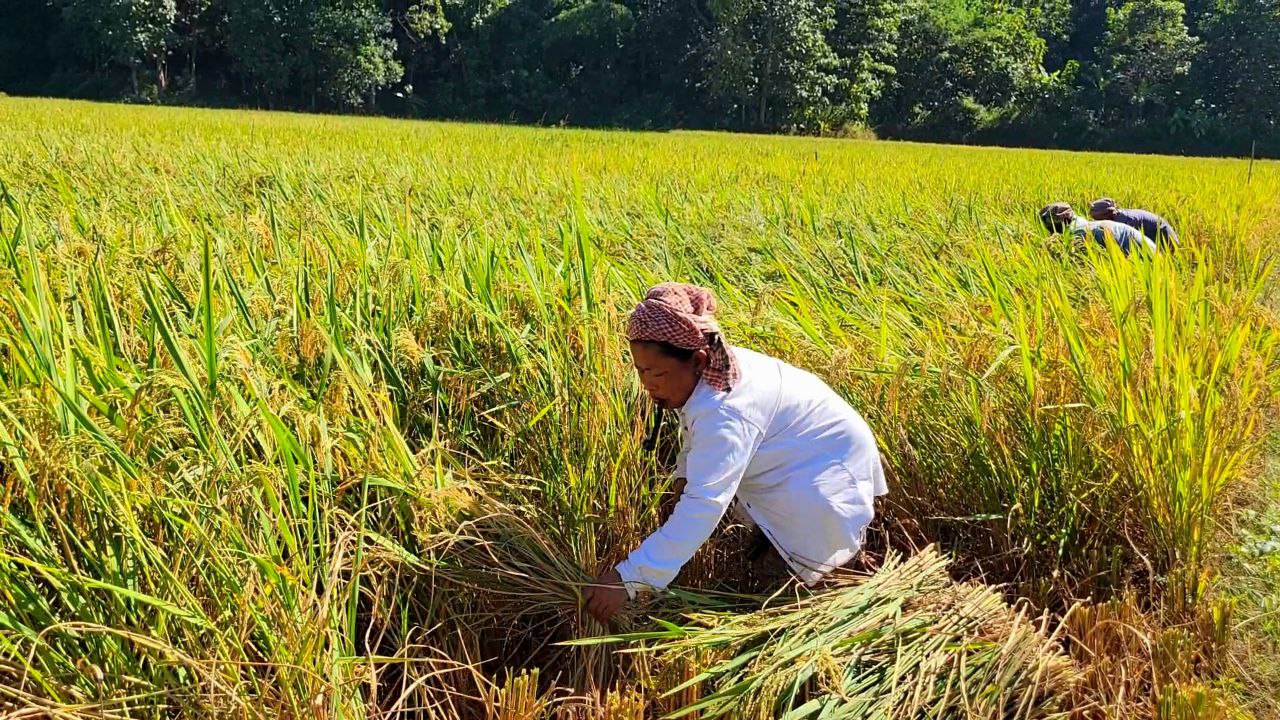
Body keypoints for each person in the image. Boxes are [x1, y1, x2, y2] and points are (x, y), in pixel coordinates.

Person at [582, 282, 888, 623]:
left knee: (805, 604)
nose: (647, 384)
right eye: (640, 371)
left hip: (823, 480)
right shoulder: (713, 370)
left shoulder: (727, 409)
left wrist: (627, 579)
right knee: (775, 575)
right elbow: (698, 432)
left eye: (657, 373)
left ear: (697, 361)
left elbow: (705, 502)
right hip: (798, 466)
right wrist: (683, 476)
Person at [1038, 202, 1157, 256]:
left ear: (1062, 223)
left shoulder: (1081, 234)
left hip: (1148, 265)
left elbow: (1086, 267)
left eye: (1051, 227)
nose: (1050, 232)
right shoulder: (1086, 225)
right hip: (1154, 256)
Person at [1088, 198, 1179, 251]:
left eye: (1097, 218)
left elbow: (1127, 247)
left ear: (1106, 214)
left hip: (1165, 239)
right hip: (1153, 237)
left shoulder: (1125, 222)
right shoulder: (1117, 216)